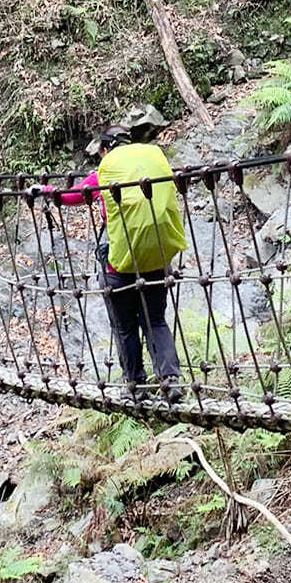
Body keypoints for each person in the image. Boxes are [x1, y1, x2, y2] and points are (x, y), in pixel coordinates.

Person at [38, 127, 187, 396]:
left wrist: (45, 190)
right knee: (155, 321)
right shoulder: (152, 162)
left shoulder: (105, 171)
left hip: (119, 265)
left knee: (125, 327)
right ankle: (171, 380)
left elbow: (71, 196)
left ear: (105, 150)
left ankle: (135, 386)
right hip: (157, 259)